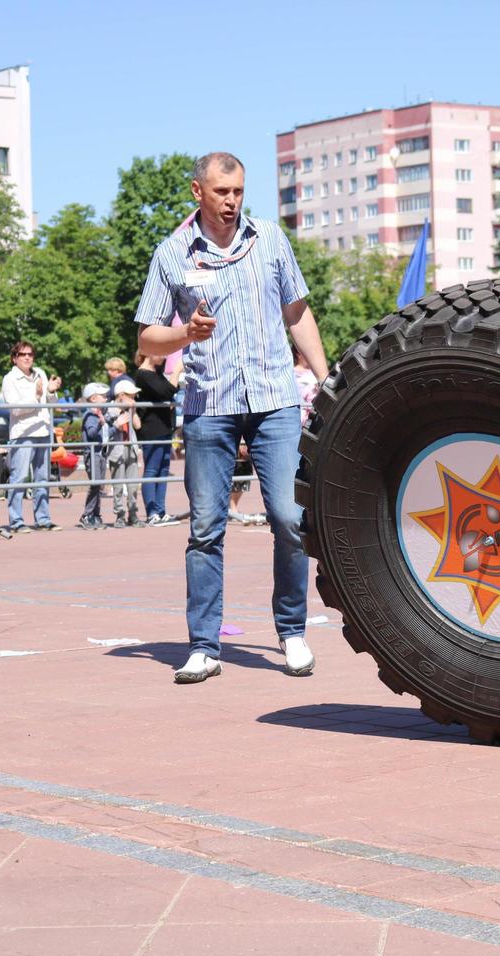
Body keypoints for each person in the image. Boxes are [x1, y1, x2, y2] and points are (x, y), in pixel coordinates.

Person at [136, 151, 329, 684]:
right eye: (222, 192)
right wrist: (185, 335)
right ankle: (204, 645)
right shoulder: (172, 253)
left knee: (291, 519)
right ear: (197, 192)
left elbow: (297, 311)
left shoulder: (269, 239)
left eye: (239, 191)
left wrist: (326, 375)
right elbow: (147, 338)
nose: (231, 201)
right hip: (208, 406)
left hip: (274, 400)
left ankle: (291, 632)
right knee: (205, 528)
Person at [0, 340, 62, 533]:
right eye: (22, 354)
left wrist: (51, 392)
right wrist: (37, 396)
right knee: (19, 477)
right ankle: (16, 521)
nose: (27, 357)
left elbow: (50, 402)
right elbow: (15, 408)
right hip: (23, 433)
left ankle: (43, 519)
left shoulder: (40, 374)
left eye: (30, 354)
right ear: (14, 358)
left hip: (43, 430)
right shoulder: (10, 379)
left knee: (42, 478)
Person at [133, 352, 184, 525]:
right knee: (152, 469)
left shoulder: (155, 373)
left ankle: (161, 511)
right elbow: (167, 391)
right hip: (151, 428)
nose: (164, 356)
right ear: (148, 353)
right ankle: (152, 513)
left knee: (163, 469)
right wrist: (177, 371)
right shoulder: (143, 374)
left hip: (163, 427)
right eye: (161, 352)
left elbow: (170, 390)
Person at [78, 382, 113, 529]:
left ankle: (96, 514)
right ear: (92, 399)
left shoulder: (102, 414)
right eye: (102, 396)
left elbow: (105, 435)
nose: (106, 399)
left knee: (99, 485)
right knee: (95, 484)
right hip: (92, 454)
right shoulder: (90, 415)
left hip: (101, 453)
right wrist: (100, 423)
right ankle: (87, 514)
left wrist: (114, 426)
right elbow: (92, 434)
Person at [107, 378, 142, 526]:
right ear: (121, 395)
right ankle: (119, 515)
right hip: (117, 450)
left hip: (131, 448)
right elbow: (115, 424)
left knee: (133, 484)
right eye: (131, 395)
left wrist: (132, 410)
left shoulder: (130, 408)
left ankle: (133, 514)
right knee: (118, 485)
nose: (134, 398)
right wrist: (122, 408)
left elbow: (137, 425)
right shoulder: (110, 408)